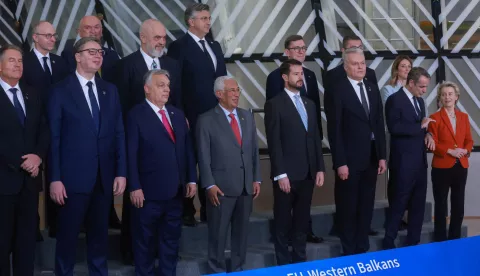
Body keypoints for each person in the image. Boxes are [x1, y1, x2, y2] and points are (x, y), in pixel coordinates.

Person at [48, 37, 127, 276]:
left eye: (100, 51)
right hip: (72, 179)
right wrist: (55, 178)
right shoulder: (60, 90)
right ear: (77, 56)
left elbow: (119, 132)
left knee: (99, 239)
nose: (97, 55)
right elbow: (54, 139)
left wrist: (121, 171)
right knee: (68, 238)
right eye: (91, 51)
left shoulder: (109, 90)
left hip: (104, 177)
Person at [117, 18, 182, 265]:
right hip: (140, 150)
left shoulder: (172, 65)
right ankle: (131, 255)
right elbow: (122, 106)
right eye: (156, 37)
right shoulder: (126, 66)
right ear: (142, 38)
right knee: (140, 224)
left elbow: (179, 100)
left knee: (168, 233)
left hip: (169, 148)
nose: (161, 42)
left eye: (164, 38)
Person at [126, 69, 196, 276]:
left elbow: (187, 150)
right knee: (144, 244)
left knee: (171, 243)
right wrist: (134, 186)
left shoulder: (177, 113)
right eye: (161, 85)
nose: (167, 89)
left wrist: (191, 178)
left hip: (175, 191)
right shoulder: (135, 115)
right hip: (147, 193)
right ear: (147, 89)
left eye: (167, 85)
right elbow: (131, 153)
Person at [168, 3, 227, 226]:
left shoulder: (215, 45)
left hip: (215, 114)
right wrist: (180, 113)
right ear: (191, 22)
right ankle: (187, 209)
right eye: (203, 18)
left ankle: (209, 207)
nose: (208, 22)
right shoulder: (179, 47)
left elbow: (221, 78)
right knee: (190, 160)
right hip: (191, 114)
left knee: (211, 161)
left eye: (209, 18)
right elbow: (177, 83)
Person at [324, 47, 387, 256]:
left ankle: (363, 247)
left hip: (371, 157)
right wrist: (340, 161)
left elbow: (378, 123)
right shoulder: (337, 89)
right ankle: (349, 250)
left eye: (362, 63)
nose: (360, 67)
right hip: (349, 160)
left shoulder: (371, 87)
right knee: (348, 206)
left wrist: (382, 156)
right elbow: (334, 130)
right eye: (355, 64)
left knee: (366, 204)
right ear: (345, 66)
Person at [196, 76, 261, 273]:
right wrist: (209, 184)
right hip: (220, 188)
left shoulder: (247, 116)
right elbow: (203, 155)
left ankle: (238, 269)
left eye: (237, 90)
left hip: (245, 187)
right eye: (231, 90)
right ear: (219, 94)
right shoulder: (206, 119)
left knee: (241, 237)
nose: (236, 94)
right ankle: (216, 271)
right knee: (218, 235)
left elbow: (254, 152)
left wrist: (256, 178)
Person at [264, 59, 325, 265]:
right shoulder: (274, 104)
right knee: (282, 223)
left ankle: (300, 262)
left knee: (301, 222)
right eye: (296, 74)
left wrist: (319, 168)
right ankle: (283, 265)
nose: (300, 77)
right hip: (286, 176)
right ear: (285, 77)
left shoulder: (310, 103)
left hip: (308, 173)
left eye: (302, 74)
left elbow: (315, 138)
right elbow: (274, 142)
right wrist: (280, 174)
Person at [0, 44, 49, 276]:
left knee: (26, 243)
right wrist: (20, 161)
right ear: (0, 66)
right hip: (3, 182)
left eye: (20, 60)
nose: (17, 64)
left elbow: (44, 129)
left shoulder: (32, 93)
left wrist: (38, 156)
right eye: (11, 60)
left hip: (29, 183)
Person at [21, 20, 69, 240]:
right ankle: (34, 227)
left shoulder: (60, 63)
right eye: (47, 35)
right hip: (34, 127)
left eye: (54, 35)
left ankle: (58, 224)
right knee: (33, 179)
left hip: (60, 126)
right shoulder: (25, 62)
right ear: (35, 37)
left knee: (58, 174)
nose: (52, 39)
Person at [383, 67, 435, 249]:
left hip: (420, 162)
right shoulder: (393, 100)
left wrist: (428, 134)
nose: (424, 90)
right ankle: (388, 241)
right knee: (399, 203)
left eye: (426, 87)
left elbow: (423, 128)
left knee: (418, 204)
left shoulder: (420, 103)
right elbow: (394, 128)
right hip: (403, 162)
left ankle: (414, 241)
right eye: (421, 86)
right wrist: (420, 127)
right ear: (411, 83)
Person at [428, 81, 473, 241]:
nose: (447, 97)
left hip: (461, 165)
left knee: (458, 204)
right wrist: (449, 151)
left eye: (450, 94)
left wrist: (465, 150)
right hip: (441, 166)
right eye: (444, 94)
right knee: (441, 205)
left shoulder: (464, 117)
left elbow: (469, 140)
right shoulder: (434, 118)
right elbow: (433, 145)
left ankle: (455, 238)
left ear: (456, 97)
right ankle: (440, 239)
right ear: (440, 98)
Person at [381, 55, 412, 231]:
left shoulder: (414, 90)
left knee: (407, 178)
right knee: (395, 177)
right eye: (403, 66)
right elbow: (392, 113)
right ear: (396, 69)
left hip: (410, 139)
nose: (407, 70)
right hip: (393, 136)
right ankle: (395, 216)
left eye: (409, 67)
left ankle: (405, 215)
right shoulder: (388, 90)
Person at [61, 15, 120, 83]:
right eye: (87, 28)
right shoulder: (69, 55)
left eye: (96, 27)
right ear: (79, 32)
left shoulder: (112, 55)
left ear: (101, 31)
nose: (93, 31)